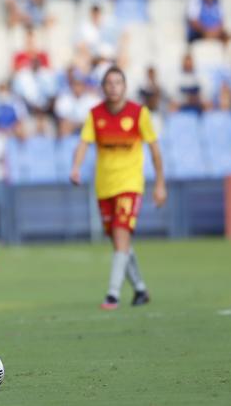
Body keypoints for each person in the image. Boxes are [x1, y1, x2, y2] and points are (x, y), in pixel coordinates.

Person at [70, 67, 166, 310]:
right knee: (118, 240)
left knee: (122, 234)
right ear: (103, 87)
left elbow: (154, 150)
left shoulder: (139, 113)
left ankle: (113, 294)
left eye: (118, 82)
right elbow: (83, 143)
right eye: (109, 83)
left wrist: (160, 184)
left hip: (130, 184)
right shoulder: (95, 115)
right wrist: (76, 167)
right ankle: (141, 289)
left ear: (125, 86)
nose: (113, 87)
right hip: (105, 186)